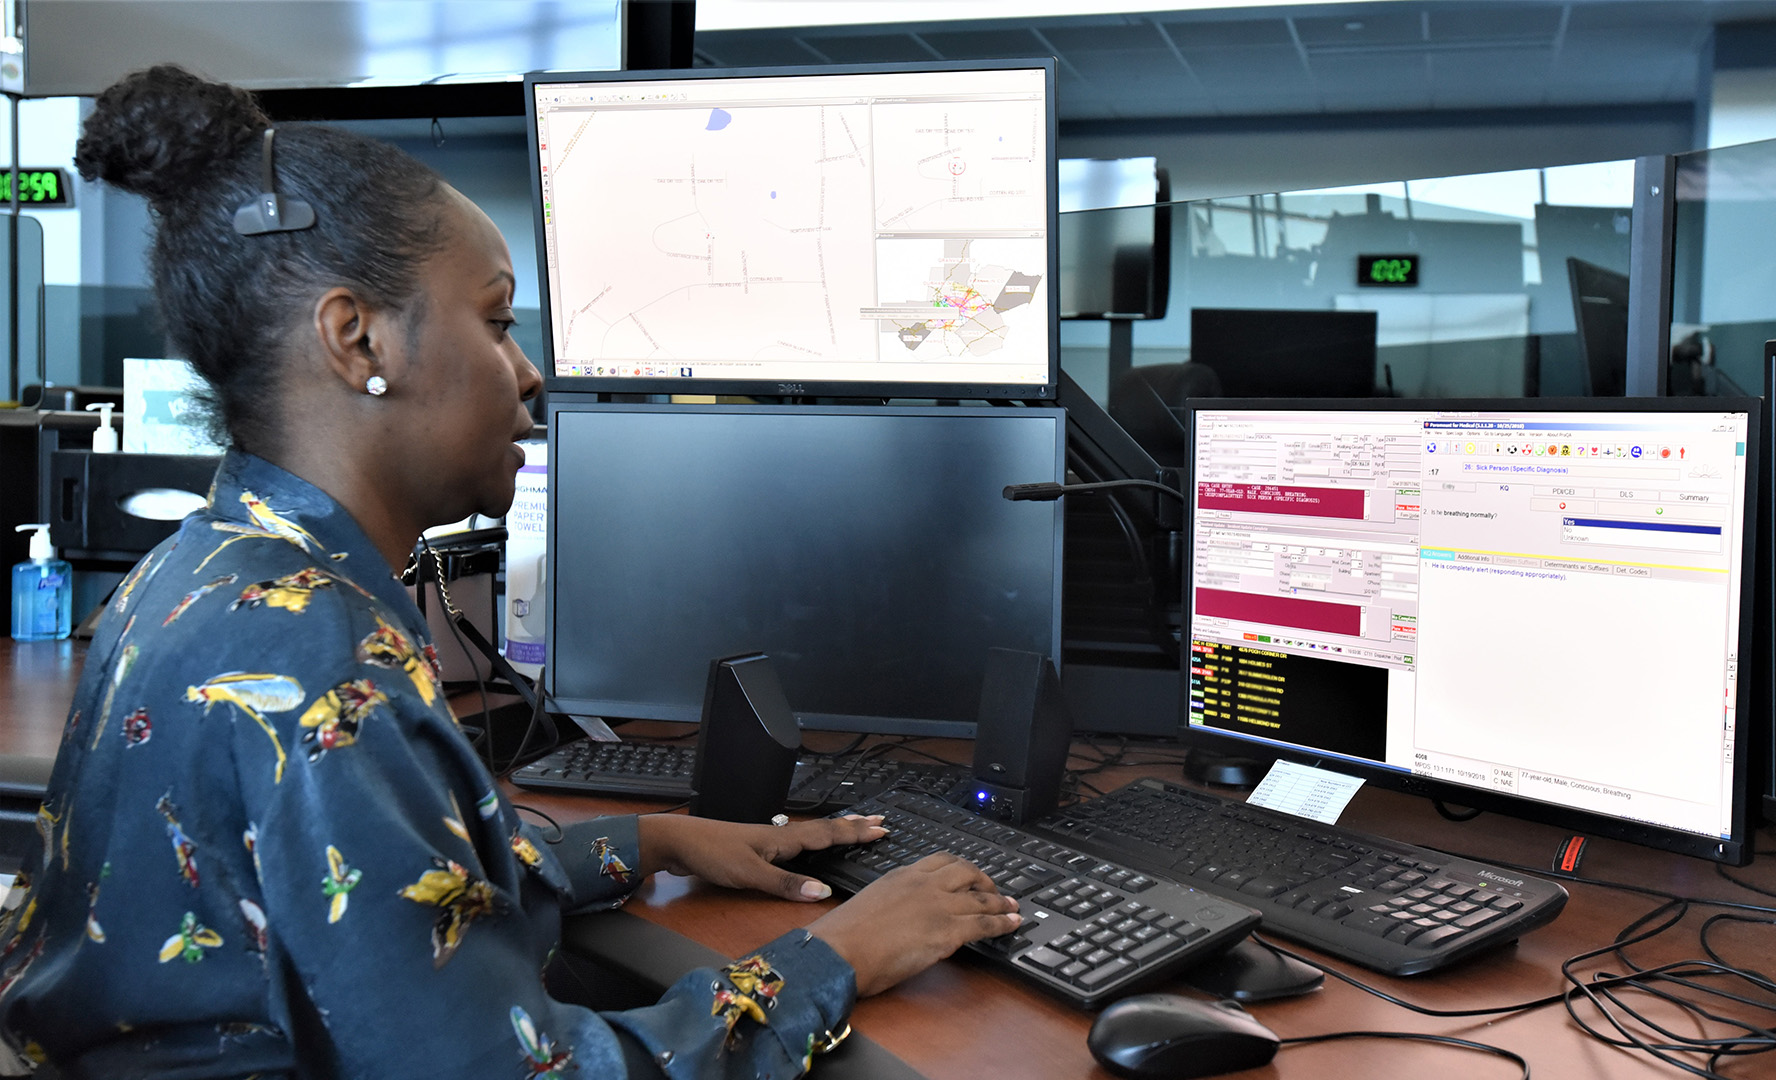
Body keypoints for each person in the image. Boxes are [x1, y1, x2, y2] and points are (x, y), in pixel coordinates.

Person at [0, 65, 1021, 1078]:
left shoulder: (207, 566)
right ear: (357, 339)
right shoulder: (317, 657)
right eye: (495, 321)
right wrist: (833, 957)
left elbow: (369, 898)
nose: (529, 369)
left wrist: (652, 840)